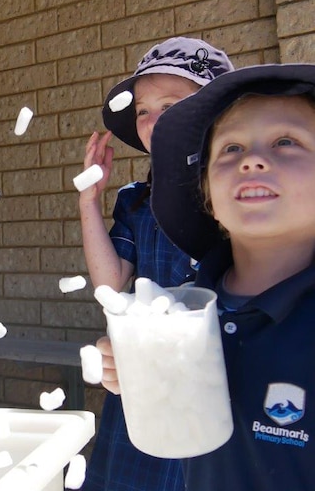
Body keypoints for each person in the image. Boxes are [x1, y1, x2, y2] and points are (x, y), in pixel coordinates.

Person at [97, 63, 315, 491]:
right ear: (208, 197)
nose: (252, 159)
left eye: (286, 142)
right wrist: (140, 371)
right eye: (231, 149)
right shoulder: (180, 313)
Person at [79, 37, 233, 491]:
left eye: (171, 104)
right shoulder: (136, 201)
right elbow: (112, 283)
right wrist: (90, 200)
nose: (152, 121)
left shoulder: (242, 198)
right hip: (146, 391)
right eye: (142, 110)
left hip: (219, 390)